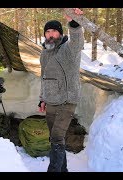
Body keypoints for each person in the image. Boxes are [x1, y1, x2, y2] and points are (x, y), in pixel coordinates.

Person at [38, 8, 84, 172]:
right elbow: (43, 77)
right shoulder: (44, 53)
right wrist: (42, 98)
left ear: (60, 33)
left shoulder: (68, 50)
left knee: (57, 137)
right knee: (55, 139)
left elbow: (77, 41)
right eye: (47, 32)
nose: (50, 35)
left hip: (67, 100)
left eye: (54, 32)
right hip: (51, 101)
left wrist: (74, 22)